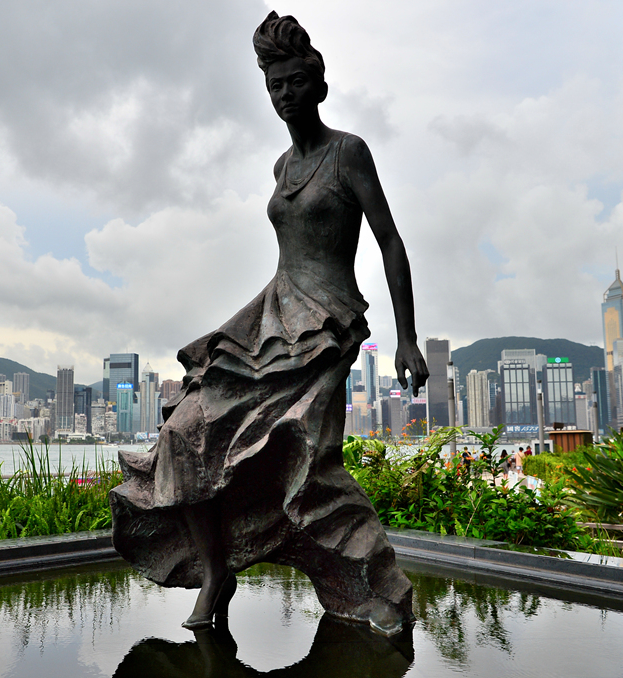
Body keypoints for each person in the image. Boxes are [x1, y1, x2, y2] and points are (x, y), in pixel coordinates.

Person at [109, 11, 428, 636]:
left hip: (326, 324)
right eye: (274, 86)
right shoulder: (282, 166)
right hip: (273, 316)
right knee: (182, 432)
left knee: (301, 451)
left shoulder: (348, 152)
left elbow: (390, 240)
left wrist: (407, 337)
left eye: (294, 82)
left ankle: (367, 581)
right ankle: (214, 572)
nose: (284, 95)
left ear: (319, 84)